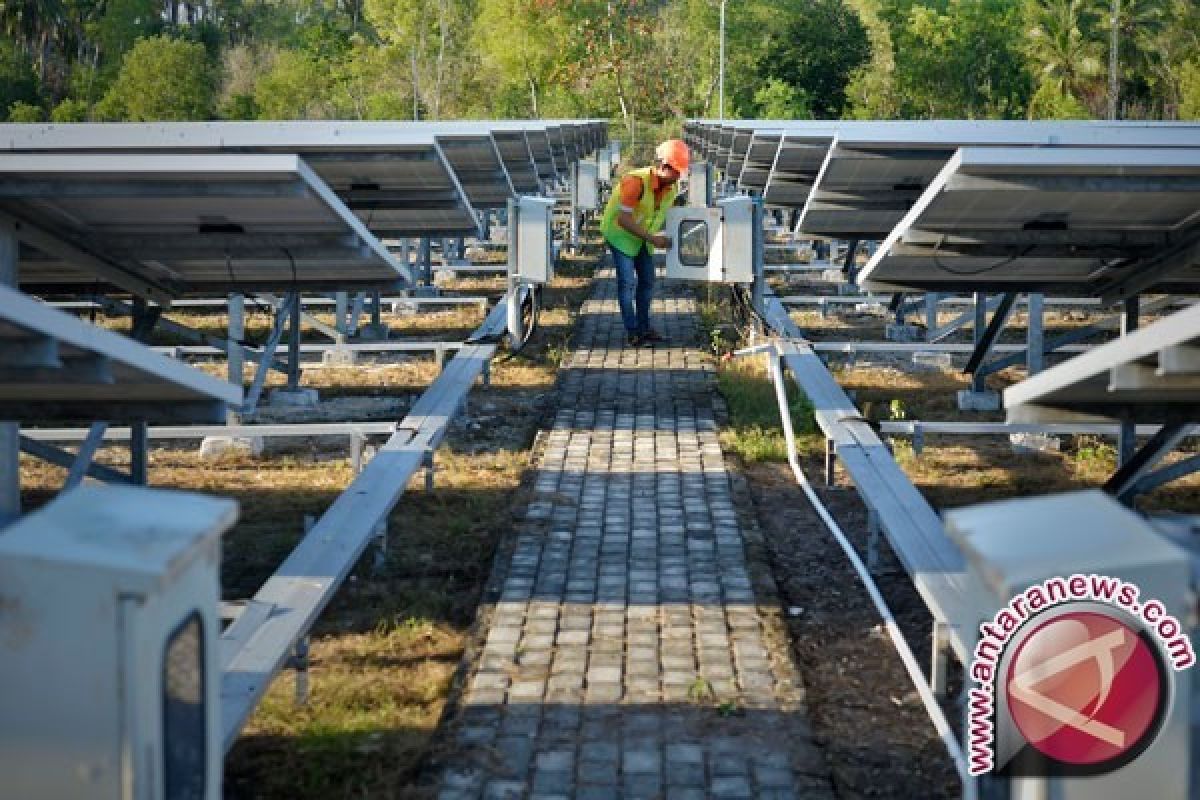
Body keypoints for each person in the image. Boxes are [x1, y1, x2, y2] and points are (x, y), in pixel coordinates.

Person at [599, 138, 690, 346]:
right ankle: (633, 332)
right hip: (620, 236)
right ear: (663, 166)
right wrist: (652, 238)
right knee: (627, 284)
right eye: (676, 171)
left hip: (642, 238)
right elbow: (623, 219)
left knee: (648, 282)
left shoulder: (671, 188)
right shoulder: (635, 182)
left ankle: (644, 327)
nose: (678, 176)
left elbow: (664, 214)